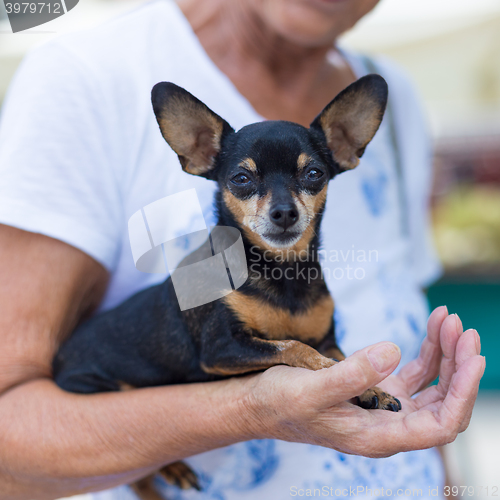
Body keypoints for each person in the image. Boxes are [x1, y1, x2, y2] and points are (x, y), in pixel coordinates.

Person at [0, 0, 484, 498]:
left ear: (344, 147)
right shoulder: (85, 75)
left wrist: (451, 488)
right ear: (200, 152)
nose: (281, 207)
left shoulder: (396, 91)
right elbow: (8, 442)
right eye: (246, 183)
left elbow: (390, 374)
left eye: (309, 177)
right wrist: (258, 405)